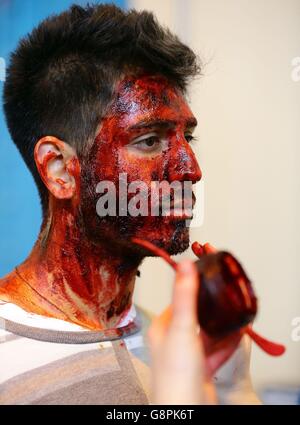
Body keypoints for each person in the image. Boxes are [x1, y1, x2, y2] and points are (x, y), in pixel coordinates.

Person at [0, 3, 259, 404]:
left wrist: (232, 388)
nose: (191, 170)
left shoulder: (173, 347)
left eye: (186, 138)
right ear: (60, 170)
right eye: (149, 140)